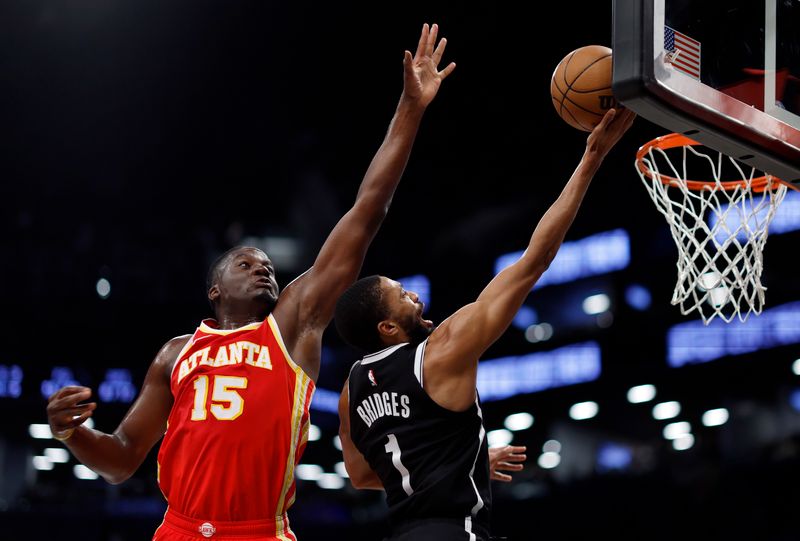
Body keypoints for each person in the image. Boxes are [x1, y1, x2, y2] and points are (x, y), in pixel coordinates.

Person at [45, 23, 455, 541]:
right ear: (213, 289)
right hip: (180, 530)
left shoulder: (293, 325)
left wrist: (410, 111)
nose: (262, 267)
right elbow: (122, 458)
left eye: (268, 264)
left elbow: (366, 210)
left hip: (261, 530)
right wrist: (71, 433)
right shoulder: (175, 354)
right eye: (244, 263)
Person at [334, 107, 636, 541]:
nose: (415, 296)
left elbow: (362, 474)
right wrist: (591, 159)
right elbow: (534, 262)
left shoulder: (350, 390)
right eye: (402, 295)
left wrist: (460, 465)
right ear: (387, 327)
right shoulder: (442, 348)